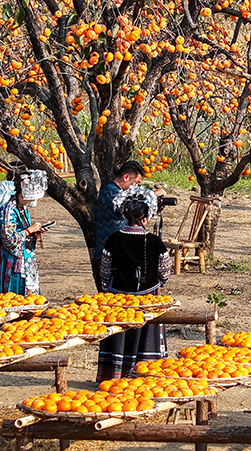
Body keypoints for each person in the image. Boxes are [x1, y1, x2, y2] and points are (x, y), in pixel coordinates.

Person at [96, 187, 172, 380]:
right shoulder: (154, 241)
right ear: (145, 217)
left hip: (118, 296)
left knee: (120, 334)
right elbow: (164, 269)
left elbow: (105, 268)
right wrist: (158, 284)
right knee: (145, 336)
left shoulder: (114, 239)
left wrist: (107, 288)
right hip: (148, 297)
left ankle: (115, 375)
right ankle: (144, 376)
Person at [0, 169, 50, 295]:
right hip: (14, 259)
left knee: (31, 295)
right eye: (30, 199)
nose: (31, 202)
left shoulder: (22, 208)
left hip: (26, 257)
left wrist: (36, 232)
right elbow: (9, 238)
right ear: (22, 195)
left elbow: (24, 231)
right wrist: (29, 230)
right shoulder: (8, 210)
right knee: (15, 294)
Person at [95, 161, 145, 261]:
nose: (136, 187)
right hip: (110, 252)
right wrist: (152, 196)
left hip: (119, 250)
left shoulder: (118, 193)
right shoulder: (110, 192)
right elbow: (129, 207)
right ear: (126, 177)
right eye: (136, 182)